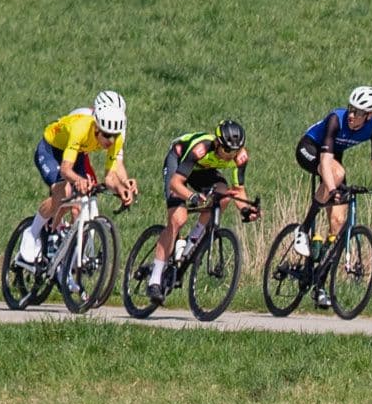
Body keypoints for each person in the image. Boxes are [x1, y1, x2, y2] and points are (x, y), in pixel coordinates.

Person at [19, 91, 135, 267]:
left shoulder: (115, 136)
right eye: (105, 135)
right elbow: (66, 169)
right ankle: (32, 232)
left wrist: (121, 189)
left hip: (79, 152)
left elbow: (110, 176)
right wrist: (76, 180)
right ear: (96, 128)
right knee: (63, 191)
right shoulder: (81, 126)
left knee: (83, 198)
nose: (109, 141)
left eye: (113, 136)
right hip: (51, 148)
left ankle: (65, 264)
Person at [151, 119, 257, 289]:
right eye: (228, 150)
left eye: (235, 151)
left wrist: (245, 209)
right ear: (218, 143)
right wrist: (192, 196)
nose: (231, 155)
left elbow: (238, 190)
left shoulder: (240, 157)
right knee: (178, 219)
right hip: (178, 163)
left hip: (202, 170)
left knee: (224, 196)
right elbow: (175, 183)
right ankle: (154, 279)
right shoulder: (201, 149)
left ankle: (191, 243)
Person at [293, 87, 372, 258]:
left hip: (333, 158)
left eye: (357, 112)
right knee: (338, 173)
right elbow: (325, 162)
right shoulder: (336, 119)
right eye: (350, 108)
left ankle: (320, 267)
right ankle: (303, 230)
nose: (351, 115)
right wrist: (332, 190)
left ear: (369, 115)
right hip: (310, 148)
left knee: (339, 221)